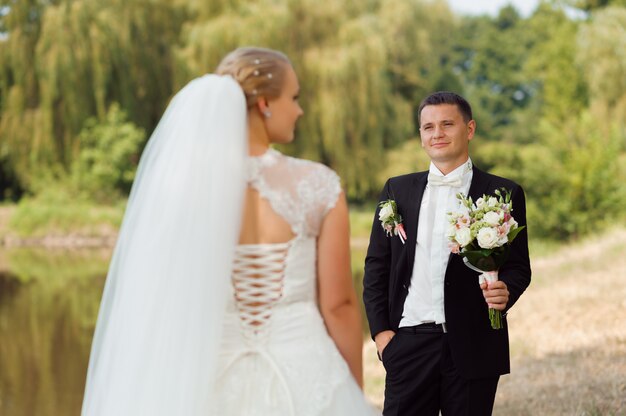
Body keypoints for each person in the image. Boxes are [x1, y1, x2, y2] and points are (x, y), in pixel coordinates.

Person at [81, 47, 377, 415]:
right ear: (266, 102)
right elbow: (338, 306)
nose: (299, 110)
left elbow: (160, 298)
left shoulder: (179, 189)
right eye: (294, 97)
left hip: (204, 378)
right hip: (308, 373)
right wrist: (353, 391)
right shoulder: (318, 184)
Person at [363, 91, 531, 415]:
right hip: (408, 343)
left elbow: (519, 267)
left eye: (447, 124)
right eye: (428, 127)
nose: (437, 133)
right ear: (421, 135)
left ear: (469, 129)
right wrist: (382, 335)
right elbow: (376, 267)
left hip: (475, 343)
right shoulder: (396, 190)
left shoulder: (504, 192)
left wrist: (506, 291)